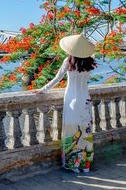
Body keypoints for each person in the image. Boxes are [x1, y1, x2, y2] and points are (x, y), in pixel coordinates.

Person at [35, 34, 96, 173]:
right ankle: (85, 165)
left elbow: (57, 79)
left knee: (72, 132)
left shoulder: (68, 61)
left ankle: (74, 164)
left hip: (72, 101)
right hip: (85, 100)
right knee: (85, 131)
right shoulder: (90, 62)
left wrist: (42, 90)